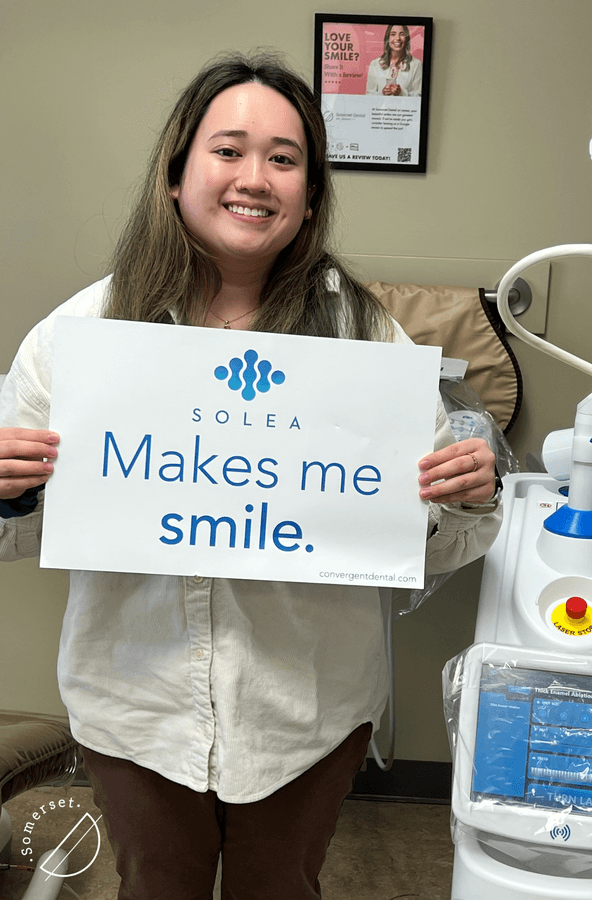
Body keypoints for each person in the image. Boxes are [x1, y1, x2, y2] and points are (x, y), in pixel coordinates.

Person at [0, 52, 501, 900]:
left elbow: (442, 541)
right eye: (228, 150)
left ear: (309, 192)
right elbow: (25, 530)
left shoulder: (365, 339)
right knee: (156, 887)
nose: (255, 178)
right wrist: (9, 488)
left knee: (282, 888)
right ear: (176, 172)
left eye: (284, 157)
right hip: (136, 703)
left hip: (308, 708)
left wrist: (464, 494)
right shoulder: (83, 334)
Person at [365, 24, 423, 96]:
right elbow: (369, 96)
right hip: (380, 107)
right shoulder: (375, 64)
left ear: (406, 39)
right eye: (393, 34)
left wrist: (401, 93)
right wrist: (382, 93)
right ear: (388, 38)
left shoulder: (416, 65)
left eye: (402, 34)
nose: (397, 38)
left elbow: (420, 97)